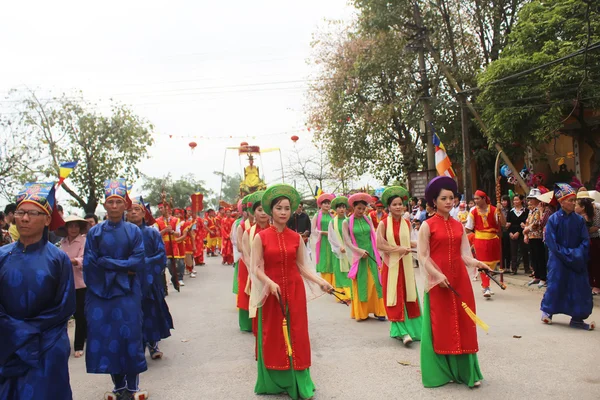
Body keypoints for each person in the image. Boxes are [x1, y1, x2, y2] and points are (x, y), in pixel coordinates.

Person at [248, 184, 333, 400]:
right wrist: (269, 282)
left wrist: (321, 281)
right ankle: (276, 380)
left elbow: (302, 267)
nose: (283, 212)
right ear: (270, 210)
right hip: (273, 293)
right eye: (279, 208)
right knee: (275, 335)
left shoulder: (296, 238)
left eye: (287, 208)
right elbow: (255, 267)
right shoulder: (261, 237)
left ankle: (300, 381)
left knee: (297, 334)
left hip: (294, 291)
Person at [0, 182, 75, 400]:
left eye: (33, 213)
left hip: (47, 343)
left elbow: (65, 306)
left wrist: (29, 331)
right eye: (20, 212)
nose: (24, 218)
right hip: (7, 340)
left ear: (48, 220)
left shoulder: (58, 259)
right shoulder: (2, 256)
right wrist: (13, 330)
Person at [418, 176, 491, 388]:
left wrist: (479, 263)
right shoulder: (427, 225)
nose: (449, 202)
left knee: (464, 324)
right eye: (444, 198)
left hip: (459, 281)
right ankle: (441, 372)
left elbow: (464, 255)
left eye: (451, 198)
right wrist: (437, 276)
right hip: (438, 282)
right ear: (434, 201)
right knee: (441, 325)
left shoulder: (459, 226)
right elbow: (423, 256)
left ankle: (466, 372)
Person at [83, 178, 148, 400]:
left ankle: (133, 386)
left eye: (118, 202)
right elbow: (90, 264)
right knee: (107, 336)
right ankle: (118, 385)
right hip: (100, 293)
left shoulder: (133, 231)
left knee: (130, 335)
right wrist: (122, 268)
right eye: (110, 202)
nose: (113, 206)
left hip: (128, 292)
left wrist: (108, 263)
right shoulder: (95, 233)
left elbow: (138, 263)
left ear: (125, 205)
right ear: (104, 204)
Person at [541, 183, 595, 330]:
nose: (573, 203)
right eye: (570, 200)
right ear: (561, 201)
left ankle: (577, 318)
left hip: (577, 259)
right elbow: (551, 242)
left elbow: (585, 240)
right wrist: (566, 254)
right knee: (556, 285)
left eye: (574, 200)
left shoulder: (579, 220)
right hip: (558, 260)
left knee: (579, 287)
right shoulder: (553, 219)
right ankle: (547, 312)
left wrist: (577, 253)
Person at [127, 197, 173, 361]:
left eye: (137, 209)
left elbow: (161, 255)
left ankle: (153, 345)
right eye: (131, 209)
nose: (133, 212)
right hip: (128, 281)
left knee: (151, 312)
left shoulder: (152, 233)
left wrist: (144, 264)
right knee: (132, 315)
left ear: (144, 213)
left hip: (150, 279)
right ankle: (137, 347)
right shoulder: (123, 233)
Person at [376, 186, 422, 345]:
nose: (398, 207)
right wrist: (398, 249)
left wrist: (418, 244)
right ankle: (402, 331)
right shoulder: (383, 224)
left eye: (400, 204)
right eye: (394, 204)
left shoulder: (407, 224)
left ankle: (413, 330)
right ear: (389, 207)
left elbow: (406, 242)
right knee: (395, 296)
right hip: (391, 265)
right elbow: (380, 245)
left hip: (406, 264)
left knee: (409, 295)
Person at [343, 192, 386, 321]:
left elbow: (374, 234)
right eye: (358, 208)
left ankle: (379, 311)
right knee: (362, 283)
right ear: (353, 208)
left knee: (376, 281)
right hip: (358, 256)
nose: (361, 211)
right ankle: (362, 312)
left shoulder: (367, 219)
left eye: (363, 208)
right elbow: (347, 242)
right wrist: (359, 251)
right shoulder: (346, 222)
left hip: (372, 254)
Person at [58, 215, 90, 358]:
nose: (73, 229)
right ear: (66, 228)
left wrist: (70, 261)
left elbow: (84, 259)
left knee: (80, 315)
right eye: (70, 226)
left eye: (76, 226)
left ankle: (78, 345)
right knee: (62, 315)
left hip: (80, 283)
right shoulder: (62, 243)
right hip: (64, 283)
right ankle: (61, 345)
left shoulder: (84, 241)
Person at [465, 189, 506, 298]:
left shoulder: (494, 210)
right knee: (483, 263)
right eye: (474, 199)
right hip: (480, 240)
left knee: (491, 264)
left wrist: (500, 211)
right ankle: (487, 287)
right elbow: (468, 228)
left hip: (493, 240)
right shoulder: (473, 211)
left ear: (484, 199)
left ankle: (485, 285)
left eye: (477, 198)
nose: (475, 201)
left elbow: (503, 223)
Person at [235, 194, 257, 332]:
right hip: (246, 262)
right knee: (246, 290)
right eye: (252, 210)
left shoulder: (267, 226)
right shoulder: (242, 226)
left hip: (261, 263)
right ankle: (246, 324)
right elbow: (239, 246)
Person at [327, 196, 352, 302]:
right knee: (339, 272)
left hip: (349, 251)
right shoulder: (332, 222)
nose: (341, 209)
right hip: (339, 251)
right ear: (335, 210)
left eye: (343, 207)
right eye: (339, 208)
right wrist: (339, 247)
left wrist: (348, 247)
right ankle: (342, 296)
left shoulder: (349, 221)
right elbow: (331, 238)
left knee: (349, 272)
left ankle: (351, 293)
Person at [575, 190, 600, 295]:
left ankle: (597, 285)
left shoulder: (596, 210)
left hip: (594, 240)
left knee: (596, 263)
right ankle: (588, 283)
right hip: (583, 241)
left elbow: (596, 227)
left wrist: (584, 232)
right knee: (587, 264)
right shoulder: (577, 214)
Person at [155, 202, 183, 289]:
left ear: (167, 208)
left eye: (162, 208)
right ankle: (165, 285)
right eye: (159, 208)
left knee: (176, 263)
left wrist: (172, 232)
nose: (160, 210)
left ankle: (176, 278)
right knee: (167, 263)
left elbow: (178, 234)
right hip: (163, 245)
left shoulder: (175, 220)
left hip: (173, 244)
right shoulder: (157, 221)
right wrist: (164, 230)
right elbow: (156, 235)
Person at [523, 189, 546, 287]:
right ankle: (536, 276)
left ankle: (543, 278)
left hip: (538, 236)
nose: (530, 201)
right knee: (533, 257)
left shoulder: (540, 209)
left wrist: (527, 229)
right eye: (530, 199)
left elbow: (537, 223)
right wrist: (526, 234)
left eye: (532, 198)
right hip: (531, 236)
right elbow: (528, 222)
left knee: (540, 257)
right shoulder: (531, 210)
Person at [312, 193, 335, 286]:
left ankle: (333, 282)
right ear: (320, 205)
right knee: (324, 259)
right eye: (325, 203)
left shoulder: (332, 216)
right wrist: (322, 233)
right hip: (321, 240)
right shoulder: (317, 215)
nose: (327, 205)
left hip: (332, 241)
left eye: (328, 203)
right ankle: (325, 282)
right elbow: (313, 230)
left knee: (332, 259)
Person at [507, 194, 530, 276]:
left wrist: (519, 232)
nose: (515, 202)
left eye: (517, 200)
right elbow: (508, 223)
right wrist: (510, 232)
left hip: (522, 233)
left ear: (521, 201)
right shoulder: (511, 211)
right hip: (512, 233)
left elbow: (525, 223)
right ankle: (513, 269)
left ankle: (527, 268)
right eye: (514, 200)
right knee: (513, 251)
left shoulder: (526, 211)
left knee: (524, 251)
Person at [499, 195, 511, 273]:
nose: (503, 202)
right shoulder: (499, 210)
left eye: (505, 201)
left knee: (508, 249)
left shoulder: (510, 210)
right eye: (502, 201)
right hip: (501, 231)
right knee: (501, 249)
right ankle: (502, 266)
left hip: (508, 231)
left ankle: (508, 266)